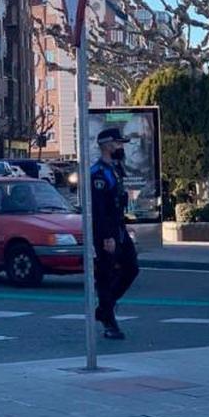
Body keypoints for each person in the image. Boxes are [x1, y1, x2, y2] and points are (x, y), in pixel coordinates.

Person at [90, 127, 139, 340]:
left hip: (118, 228)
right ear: (107, 145)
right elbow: (100, 209)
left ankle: (103, 308)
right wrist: (107, 236)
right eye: (118, 144)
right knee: (105, 275)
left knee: (131, 268)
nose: (121, 147)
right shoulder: (98, 173)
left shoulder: (116, 169)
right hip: (106, 232)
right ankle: (109, 322)